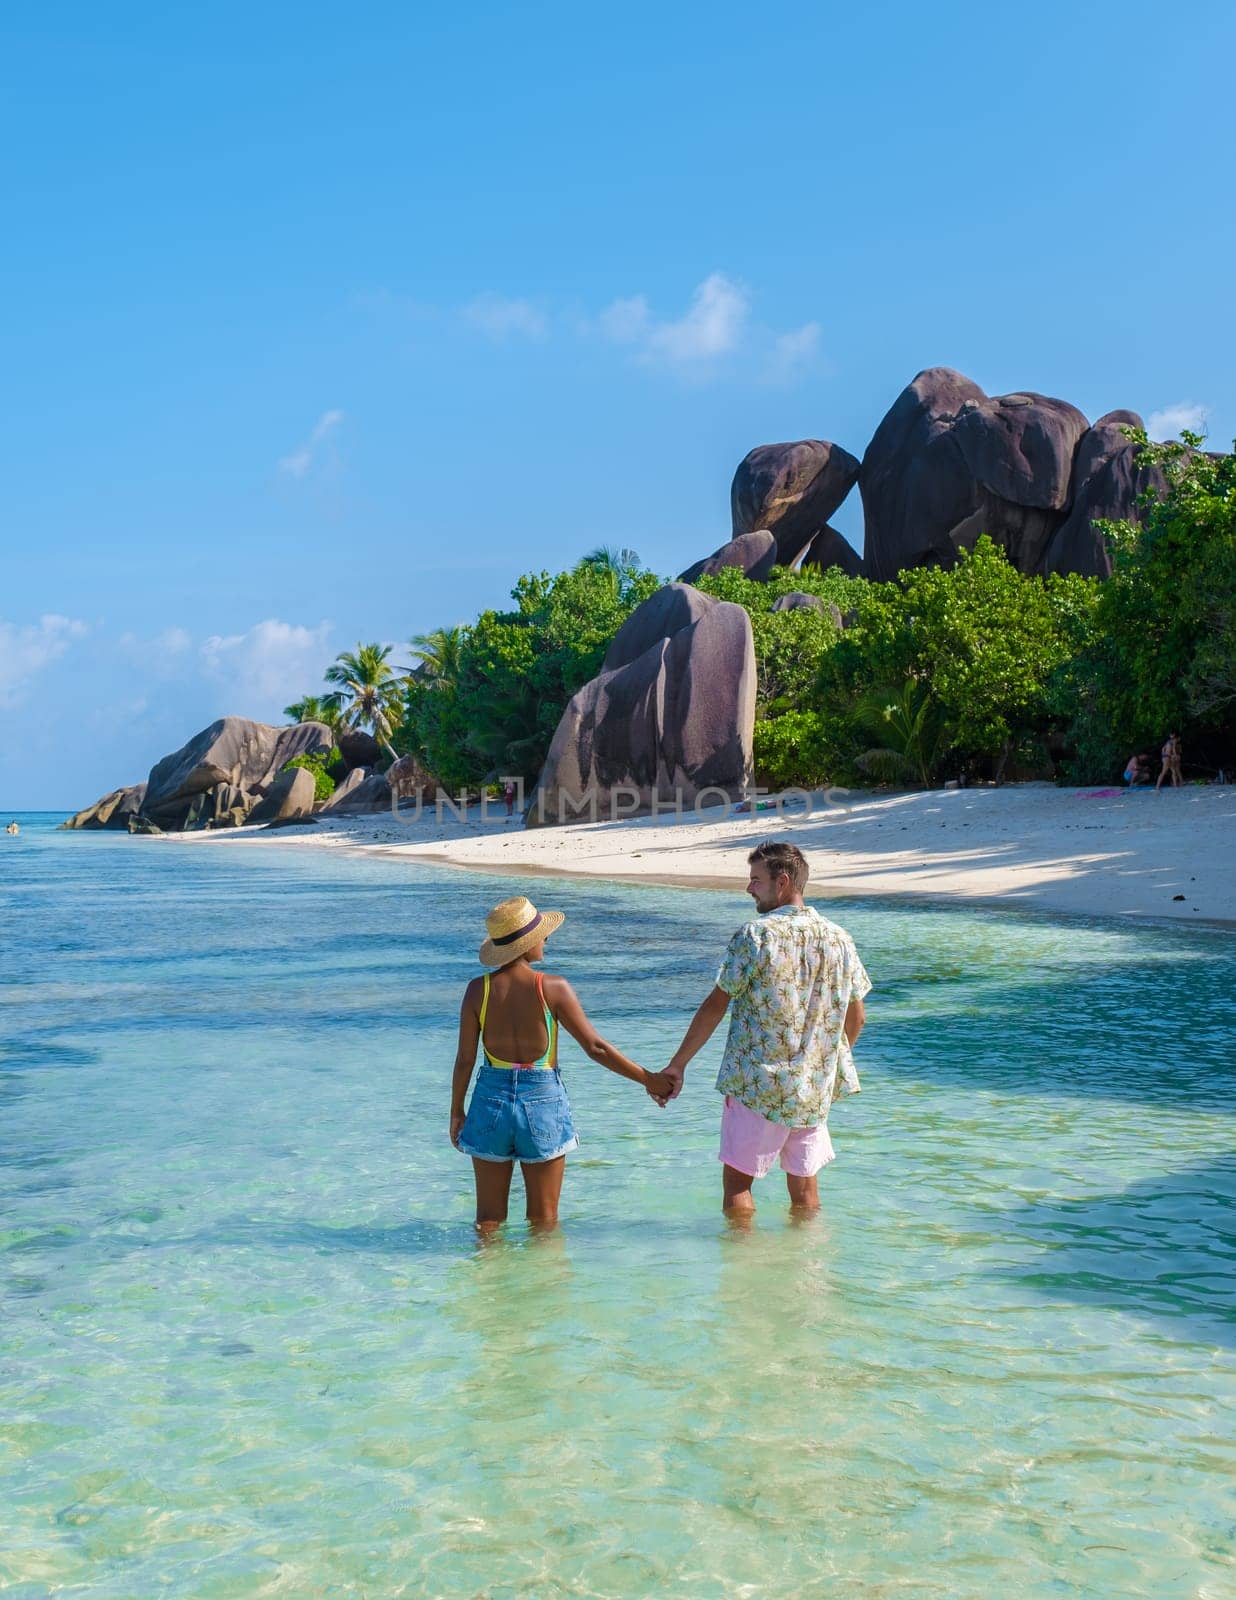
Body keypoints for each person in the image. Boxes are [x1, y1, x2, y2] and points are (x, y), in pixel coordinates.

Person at [660, 841, 871, 1216]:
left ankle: (742, 1269)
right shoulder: (841, 939)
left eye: (756, 880)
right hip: (811, 1089)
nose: (749, 889)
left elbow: (715, 1006)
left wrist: (678, 1064)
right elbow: (857, 1018)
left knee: (738, 1188)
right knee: (806, 1194)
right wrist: (824, 1064)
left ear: (783, 882)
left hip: (757, 1083)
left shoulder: (756, 935)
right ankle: (807, 1268)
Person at [451, 895, 671, 1231]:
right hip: (541, 1103)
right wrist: (649, 1079)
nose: (546, 939)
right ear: (527, 945)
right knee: (544, 1222)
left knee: (488, 1221)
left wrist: (456, 1111)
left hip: (488, 1102)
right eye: (541, 934)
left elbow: (466, 1059)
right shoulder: (552, 988)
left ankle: (485, 1277)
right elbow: (596, 1048)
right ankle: (543, 1282)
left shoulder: (476, 991)